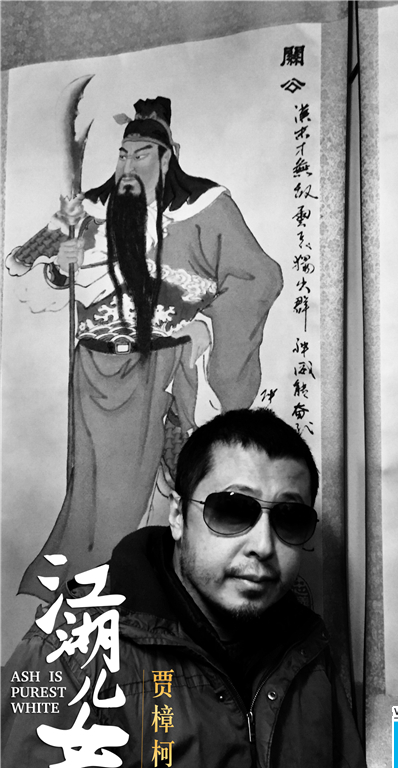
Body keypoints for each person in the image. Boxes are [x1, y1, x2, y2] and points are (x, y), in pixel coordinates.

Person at [2, 409, 374, 768]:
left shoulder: (308, 647)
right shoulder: (75, 653)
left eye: (289, 518)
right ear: (178, 515)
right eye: (232, 510)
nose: (263, 546)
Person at [6, 96, 283, 599]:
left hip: (166, 365)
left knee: (171, 483)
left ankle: (155, 586)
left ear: (167, 156)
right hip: (95, 368)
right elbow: (26, 265)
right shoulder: (89, 211)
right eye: (122, 155)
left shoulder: (205, 208)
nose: (128, 166)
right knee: (93, 488)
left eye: (141, 154)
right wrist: (59, 268)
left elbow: (258, 275)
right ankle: (89, 589)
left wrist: (206, 324)